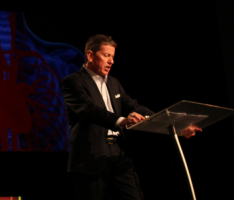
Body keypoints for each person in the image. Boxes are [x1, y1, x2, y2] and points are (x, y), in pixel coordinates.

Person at [62, 34, 200, 200]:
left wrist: (176, 126)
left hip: (119, 154)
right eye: (106, 56)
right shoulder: (73, 81)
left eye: (112, 57)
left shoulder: (114, 82)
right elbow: (88, 110)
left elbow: (134, 106)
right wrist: (122, 120)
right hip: (90, 157)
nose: (111, 61)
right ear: (90, 55)